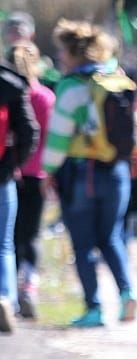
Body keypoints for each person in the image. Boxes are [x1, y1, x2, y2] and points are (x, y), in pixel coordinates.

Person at [42, 20, 137, 328]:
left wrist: (47, 171)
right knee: (111, 236)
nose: (60, 59)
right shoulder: (119, 80)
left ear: (74, 53)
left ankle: (94, 308)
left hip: (82, 173)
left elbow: (59, 136)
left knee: (83, 243)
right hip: (117, 172)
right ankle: (127, 293)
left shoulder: (71, 86)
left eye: (62, 53)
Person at [8, 41, 52, 320]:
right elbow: (51, 138)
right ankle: (29, 287)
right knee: (31, 235)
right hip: (38, 175)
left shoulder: (9, 93)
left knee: (8, 238)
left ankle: (8, 291)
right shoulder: (46, 97)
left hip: (10, 172)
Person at [0, 43, 39, 333]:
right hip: (2, 178)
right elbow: (30, 131)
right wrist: (13, 163)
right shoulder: (12, 84)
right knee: (4, 245)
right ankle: (5, 299)